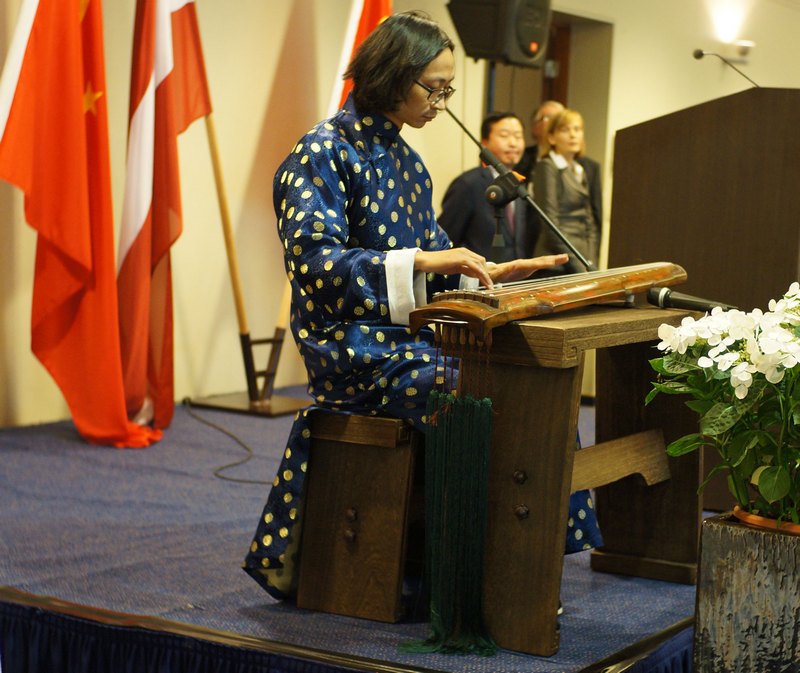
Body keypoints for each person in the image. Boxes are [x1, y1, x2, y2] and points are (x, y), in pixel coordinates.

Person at [242, 11, 601, 601]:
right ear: (391, 75)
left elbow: (432, 262)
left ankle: (516, 562)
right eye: (434, 88)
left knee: (530, 384)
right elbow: (315, 266)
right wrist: (429, 261)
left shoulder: (408, 164)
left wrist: (487, 275)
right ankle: (457, 573)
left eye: (447, 89)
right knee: (475, 393)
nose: (441, 102)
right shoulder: (322, 151)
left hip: (410, 341)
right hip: (351, 348)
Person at [438, 111, 540, 262]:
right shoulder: (468, 183)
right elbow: (446, 238)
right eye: (504, 136)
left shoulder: (518, 184)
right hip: (478, 273)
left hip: (514, 274)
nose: (513, 143)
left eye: (518, 136)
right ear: (484, 143)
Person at [532, 108, 602, 275]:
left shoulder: (580, 169)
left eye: (577, 129)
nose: (573, 135)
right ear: (551, 137)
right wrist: (578, 267)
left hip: (582, 259)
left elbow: (590, 222)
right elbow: (550, 223)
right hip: (556, 263)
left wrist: (591, 262)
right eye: (565, 130)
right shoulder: (547, 167)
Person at [515, 99, 565, 179]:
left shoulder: (580, 164)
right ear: (535, 126)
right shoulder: (521, 158)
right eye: (551, 118)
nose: (558, 124)